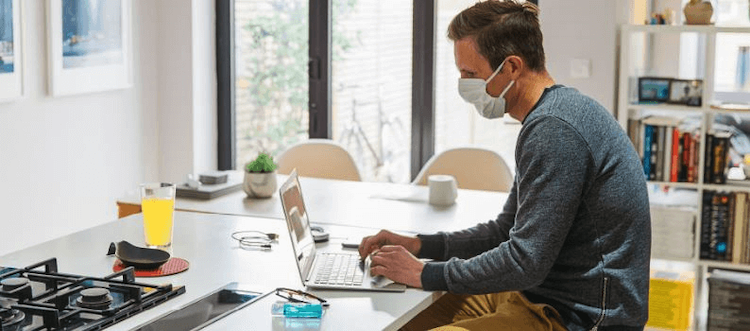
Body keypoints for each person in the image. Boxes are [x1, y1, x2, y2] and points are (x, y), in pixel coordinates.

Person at [358, 1, 651, 330]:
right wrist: (422, 245)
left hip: (575, 316)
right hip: (541, 295)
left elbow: (526, 262)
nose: (464, 85)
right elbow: (504, 232)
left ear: (511, 66)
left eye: (471, 74)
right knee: (403, 317)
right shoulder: (552, 115)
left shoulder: (554, 131)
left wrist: (424, 272)